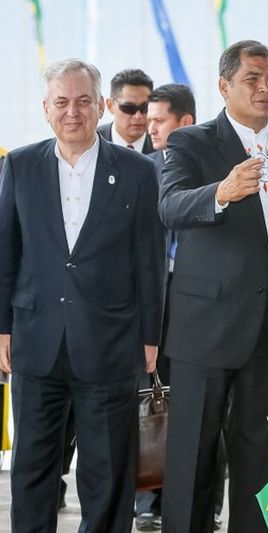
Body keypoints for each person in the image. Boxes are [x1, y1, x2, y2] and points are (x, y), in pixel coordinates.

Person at [158, 40, 268, 533]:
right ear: (224, 86)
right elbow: (169, 207)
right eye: (253, 78)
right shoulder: (192, 143)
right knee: (193, 456)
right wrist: (221, 193)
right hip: (203, 328)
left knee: (264, 455)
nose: (266, 87)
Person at [0, 58, 164, 533]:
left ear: (101, 107)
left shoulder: (136, 171)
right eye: (62, 102)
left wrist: (149, 336)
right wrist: (3, 327)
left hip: (110, 341)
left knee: (108, 472)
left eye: (83, 101)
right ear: (46, 109)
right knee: (32, 468)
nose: (72, 112)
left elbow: (149, 260)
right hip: (34, 341)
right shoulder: (21, 164)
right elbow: (6, 250)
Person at [133, 82, 197, 532]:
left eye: (158, 120)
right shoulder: (140, 169)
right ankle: (145, 500)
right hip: (150, 303)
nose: (147, 127)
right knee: (148, 401)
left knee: (193, 404)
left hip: (196, 304)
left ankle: (197, 500)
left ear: (185, 123)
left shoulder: (212, 167)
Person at [98, 69, 155, 153]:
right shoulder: (91, 143)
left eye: (145, 107)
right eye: (129, 108)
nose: (138, 116)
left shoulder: (164, 146)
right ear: (110, 105)